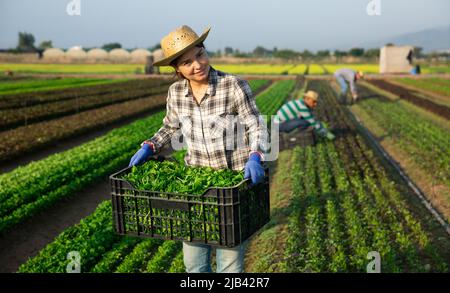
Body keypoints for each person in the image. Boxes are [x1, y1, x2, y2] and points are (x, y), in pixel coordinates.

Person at [128, 25, 268, 273]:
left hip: (231, 186)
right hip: (195, 189)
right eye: (187, 62)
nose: (197, 65)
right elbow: (170, 129)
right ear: (177, 69)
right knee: (194, 265)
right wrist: (151, 145)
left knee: (230, 267)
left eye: (200, 55)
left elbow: (256, 125)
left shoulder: (233, 85)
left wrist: (255, 155)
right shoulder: (176, 93)